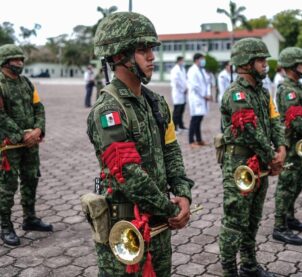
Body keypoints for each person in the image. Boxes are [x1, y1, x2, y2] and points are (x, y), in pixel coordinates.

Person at [86, 12, 194, 276]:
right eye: (142, 50)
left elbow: (171, 149)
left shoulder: (156, 102)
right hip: (125, 226)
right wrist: (170, 209)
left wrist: (182, 192)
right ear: (118, 56)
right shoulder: (108, 110)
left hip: (158, 222)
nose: (151, 57)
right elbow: (129, 174)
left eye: (151, 49)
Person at [219, 38, 286, 277]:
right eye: (260, 60)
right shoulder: (236, 95)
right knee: (235, 220)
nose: (264, 64)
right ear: (245, 63)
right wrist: (272, 157)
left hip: (261, 165)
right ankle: (229, 270)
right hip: (239, 167)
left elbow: (274, 119)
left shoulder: (263, 92)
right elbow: (249, 131)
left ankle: (249, 264)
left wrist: (281, 146)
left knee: (254, 217)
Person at [0, 44, 53, 246]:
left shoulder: (27, 83)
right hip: (9, 146)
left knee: (31, 180)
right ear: (5, 62)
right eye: (16, 60)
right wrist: (22, 136)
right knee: (7, 186)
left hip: (31, 144)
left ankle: (29, 219)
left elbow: (39, 107)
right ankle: (5, 226)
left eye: (21, 60)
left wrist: (38, 130)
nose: (20, 63)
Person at [273, 47, 302, 246]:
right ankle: (279, 226)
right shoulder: (288, 90)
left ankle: (289, 217)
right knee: (286, 185)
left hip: (299, 144)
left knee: (298, 184)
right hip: (290, 145)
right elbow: (297, 118)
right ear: (292, 67)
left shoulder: (298, 86)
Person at [187, 53, 211, 147]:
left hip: (202, 98)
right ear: (197, 60)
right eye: (202, 59)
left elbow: (207, 82)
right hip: (196, 98)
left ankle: (199, 139)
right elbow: (195, 86)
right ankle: (191, 141)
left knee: (199, 119)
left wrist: (208, 94)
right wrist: (204, 95)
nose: (203, 61)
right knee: (195, 120)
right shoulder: (192, 70)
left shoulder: (202, 70)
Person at [170, 56, 188, 132]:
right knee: (177, 111)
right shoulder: (175, 70)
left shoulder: (183, 69)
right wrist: (183, 89)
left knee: (181, 110)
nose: (183, 62)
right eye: (182, 61)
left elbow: (185, 80)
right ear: (179, 61)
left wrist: (186, 88)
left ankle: (181, 126)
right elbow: (176, 82)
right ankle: (174, 128)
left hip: (183, 93)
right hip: (178, 93)